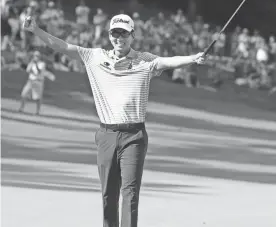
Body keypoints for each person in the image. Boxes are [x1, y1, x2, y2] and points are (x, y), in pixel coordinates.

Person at [22, 13, 205, 227]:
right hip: (106, 134)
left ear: (132, 35)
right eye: (115, 33)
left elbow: (168, 61)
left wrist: (193, 58)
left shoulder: (144, 60)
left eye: (124, 33)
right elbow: (63, 47)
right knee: (108, 194)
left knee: (130, 193)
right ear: (109, 35)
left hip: (134, 136)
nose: (119, 38)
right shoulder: (95, 56)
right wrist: (36, 30)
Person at [19, 51, 55, 115]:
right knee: (23, 94)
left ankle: (37, 111)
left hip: (38, 81)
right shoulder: (31, 63)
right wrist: (32, 64)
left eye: (37, 56)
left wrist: (35, 64)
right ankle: (21, 108)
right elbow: (28, 70)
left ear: (39, 57)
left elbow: (39, 72)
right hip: (30, 81)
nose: (36, 57)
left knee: (38, 98)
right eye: (35, 55)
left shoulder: (42, 63)